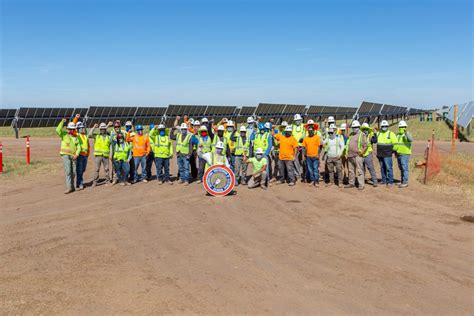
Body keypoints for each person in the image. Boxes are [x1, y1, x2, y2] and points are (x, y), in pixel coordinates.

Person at [56, 119, 81, 194]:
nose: (71, 130)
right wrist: (62, 122)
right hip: (65, 155)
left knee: (73, 172)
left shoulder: (76, 137)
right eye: (70, 129)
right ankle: (69, 188)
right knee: (68, 172)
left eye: (72, 129)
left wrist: (77, 154)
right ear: (67, 129)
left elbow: (79, 147)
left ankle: (72, 187)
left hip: (73, 156)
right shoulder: (64, 134)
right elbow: (57, 130)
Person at [344, 120, 368, 190]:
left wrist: (362, 153)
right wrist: (346, 127)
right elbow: (345, 135)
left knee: (360, 171)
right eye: (353, 127)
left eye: (356, 127)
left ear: (359, 127)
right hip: (350, 155)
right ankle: (351, 183)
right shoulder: (351, 134)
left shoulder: (362, 134)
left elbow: (365, 145)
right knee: (351, 171)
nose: (355, 128)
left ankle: (361, 185)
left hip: (358, 156)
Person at [88, 122, 112, 187]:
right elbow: (89, 134)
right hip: (98, 156)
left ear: (105, 129)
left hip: (105, 156)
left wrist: (110, 155)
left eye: (104, 129)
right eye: (101, 129)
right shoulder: (97, 136)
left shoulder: (108, 137)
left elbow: (110, 146)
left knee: (106, 169)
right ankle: (95, 182)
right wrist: (93, 127)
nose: (102, 130)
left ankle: (107, 181)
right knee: (96, 169)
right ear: (100, 129)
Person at [376, 120, 397, 187]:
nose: (384, 127)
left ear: (387, 126)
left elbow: (395, 144)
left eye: (385, 126)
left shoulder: (391, 134)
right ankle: (384, 180)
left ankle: (390, 182)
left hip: (387, 154)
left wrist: (393, 151)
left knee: (388, 168)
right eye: (383, 126)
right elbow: (374, 140)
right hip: (380, 153)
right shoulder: (378, 133)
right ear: (381, 127)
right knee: (382, 167)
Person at [302, 121, 321, 187]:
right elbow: (304, 148)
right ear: (308, 131)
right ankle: (312, 180)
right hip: (308, 156)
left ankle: (316, 181)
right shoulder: (305, 138)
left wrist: (318, 154)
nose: (310, 132)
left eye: (311, 130)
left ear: (313, 130)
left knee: (315, 169)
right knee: (310, 169)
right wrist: (303, 156)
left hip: (315, 156)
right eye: (309, 131)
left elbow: (319, 147)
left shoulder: (317, 137)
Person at [394, 120, 413, 188]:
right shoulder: (398, 135)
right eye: (400, 127)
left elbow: (410, 139)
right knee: (401, 168)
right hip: (398, 153)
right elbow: (396, 144)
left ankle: (405, 182)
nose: (401, 128)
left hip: (405, 153)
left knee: (404, 168)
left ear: (405, 127)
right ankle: (402, 181)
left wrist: (406, 133)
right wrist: (395, 152)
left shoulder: (407, 134)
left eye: (403, 127)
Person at [361, 123, 378, 187]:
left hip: (368, 153)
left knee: (370, 168)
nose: (365, 130)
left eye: (366, 129)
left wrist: (375, 133)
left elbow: (375, 141)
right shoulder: (360, 135)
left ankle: (375, 181)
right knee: (361, 169)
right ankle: (361, 181)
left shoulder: (370, 134)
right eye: (364, 129)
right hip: (361, 154)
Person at [291, 114, 306, 182]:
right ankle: (297, 174)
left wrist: (303, 137)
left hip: (303, 146)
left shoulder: (304, 126)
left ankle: (304, 174)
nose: (297, 121)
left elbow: (306, 133)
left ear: (301, 120)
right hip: (295, 146)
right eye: (296, 120)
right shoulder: (292, 126)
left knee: (303, 160)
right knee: (295, 160)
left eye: (298, 120)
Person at [75, 121, 89, 190]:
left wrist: (88, 154)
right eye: (80, 128)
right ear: (77, 129)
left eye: (82, 128)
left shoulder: (85, 136)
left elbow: (88, 146)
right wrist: (76, 118)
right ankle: (80, 183)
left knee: (83, 169)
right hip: (80, 155)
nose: (82, 129)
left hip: (85, 156)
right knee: (79, 170)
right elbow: (74, 128)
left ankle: (78, 182)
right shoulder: (77, 135)